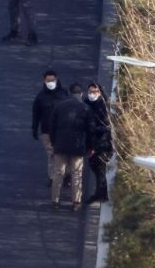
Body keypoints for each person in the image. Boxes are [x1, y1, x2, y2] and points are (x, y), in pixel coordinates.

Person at [49, 83, 93, 211]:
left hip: (60, 145)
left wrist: (53, 143)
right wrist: (89, 146)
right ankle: (76, 202)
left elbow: (52, 128)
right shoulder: (85, 108)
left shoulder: (59, 107)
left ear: (69, 93)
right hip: (78, 146)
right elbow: (90, 130)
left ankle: (55, 201)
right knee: (77, 174)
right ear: (81, 94)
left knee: (58, 173)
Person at [32, 69, 68, 185]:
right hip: (47, 131)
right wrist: (34, 128)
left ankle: (66, 175)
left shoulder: (63, 94)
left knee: (64, 153)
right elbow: (36, 114)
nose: (51, 82)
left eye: (52, 80)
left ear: (56, 80)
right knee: (51, 154)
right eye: (48, 80)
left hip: (62, 130)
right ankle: (53, 178)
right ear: (44, 80)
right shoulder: (40, 97)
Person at [85, 81, 113, 203]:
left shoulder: (104, 107)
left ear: (100, 93)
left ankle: (102, 193)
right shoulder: (86, 104)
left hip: (102, 144)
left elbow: (107, 127)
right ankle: (100, 192)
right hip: (90, 143)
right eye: (90, 92)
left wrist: (93, 129)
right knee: (95, 169)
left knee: (100, 169)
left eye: (95, 92)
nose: (92, 94)